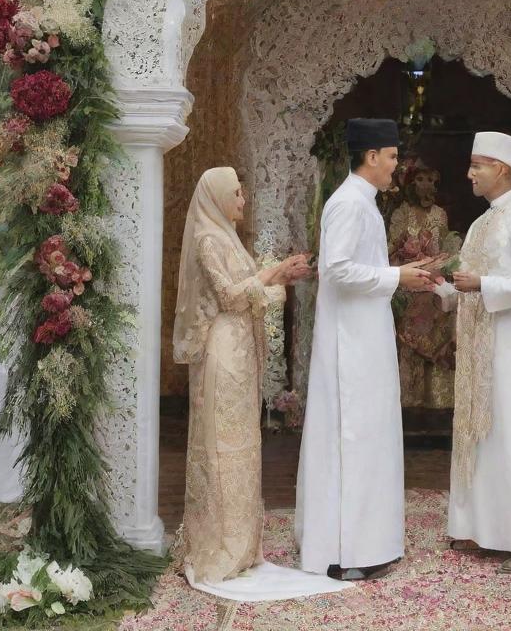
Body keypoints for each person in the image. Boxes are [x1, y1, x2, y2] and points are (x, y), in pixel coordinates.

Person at [295, 119, 438, 581]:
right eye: (393, 157)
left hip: (365, 336)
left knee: (369, 437)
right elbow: (334, 270)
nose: (397, 166)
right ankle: (346, 551)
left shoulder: (363, 203)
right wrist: (398, 278)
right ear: (372, 156)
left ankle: (367, 543)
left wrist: (404, 270)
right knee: (353, 438)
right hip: (350, 345)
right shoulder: (350, 204)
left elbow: (361, 267)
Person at [173, 166, 316, 593]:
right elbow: (233, 297)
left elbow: (249, 292)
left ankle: (241, 545)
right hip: (222, 353)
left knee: (242, 445)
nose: (243, 199)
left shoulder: (228, 239)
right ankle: (217, 545)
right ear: (218, 197)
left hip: (239, 350)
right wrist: (273, 277)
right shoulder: (207, 240)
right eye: (236, 193)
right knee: (221, 446)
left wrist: (277, 277)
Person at [433, 132, 511, 573]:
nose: (469, 174)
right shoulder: (483, 222)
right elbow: (469, 282)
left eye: (477, 165)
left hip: (510, 347)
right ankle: (481, 528)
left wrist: (482, 285)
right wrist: (441, 287)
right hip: (479, 345)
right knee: (480, 434)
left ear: (501, 169)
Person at [388, 162, 458, 409]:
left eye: (430, 179)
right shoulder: (400, 214)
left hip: (434, 284)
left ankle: (439, 400)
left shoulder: (440, 214)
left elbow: (445, 247)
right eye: (420, 179)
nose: (426, 185)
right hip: (408, 285)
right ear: (410, 183)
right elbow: (391, 249)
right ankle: (409, 399)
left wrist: (440, 266)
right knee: (409, 343)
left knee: (439, 337)